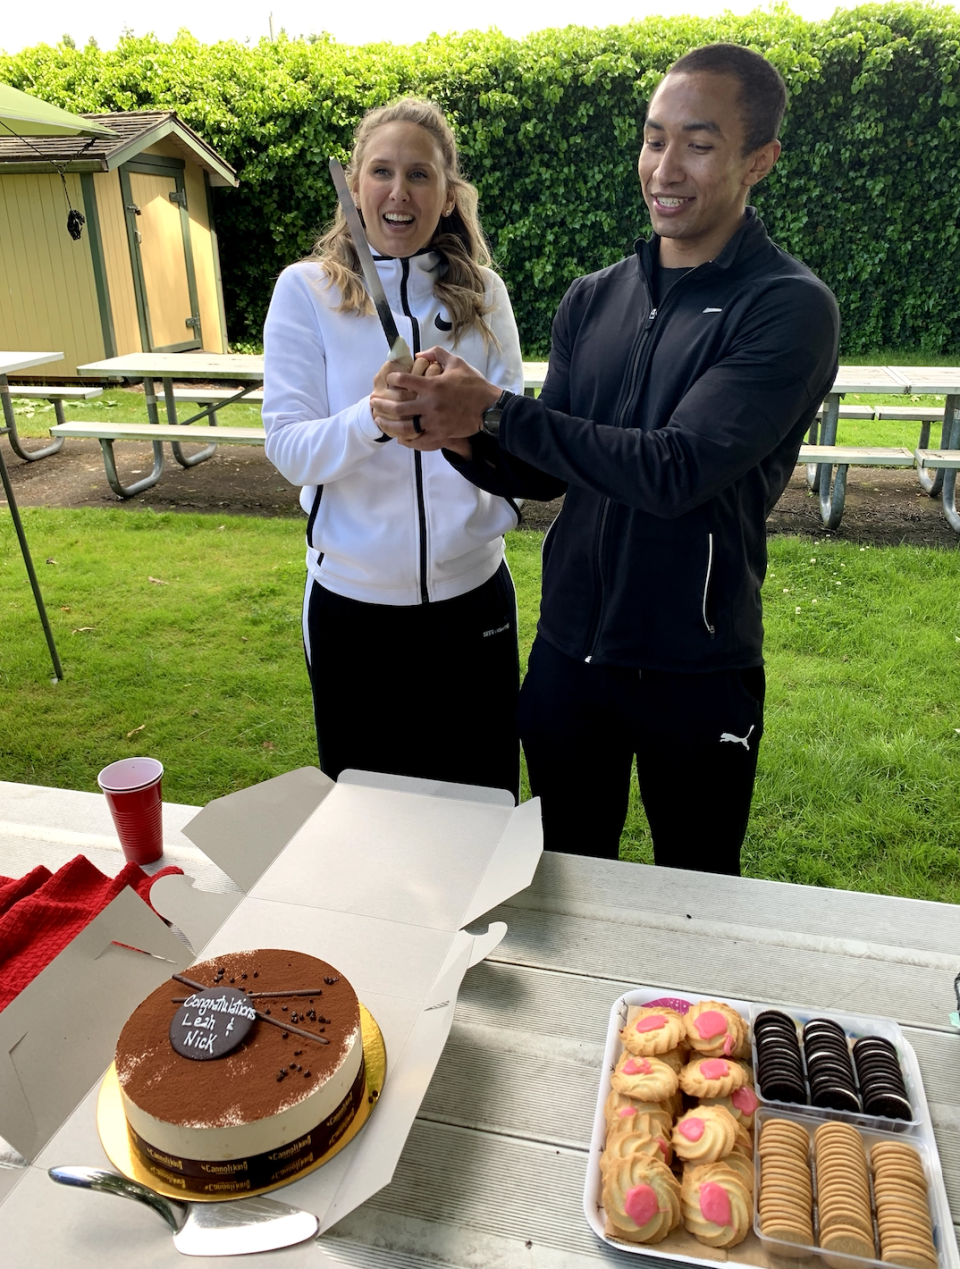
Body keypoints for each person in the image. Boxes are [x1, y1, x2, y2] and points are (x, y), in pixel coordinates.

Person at [369, 45, 841, 874]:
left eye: (698, 143)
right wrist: (459, 435)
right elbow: (551, 470)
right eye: (654, 138)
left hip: (695, 668)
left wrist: (494, 409)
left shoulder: (788, 307)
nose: (665, 166)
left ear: (758, 161)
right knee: (558, 883)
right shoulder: (597, 295)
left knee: (695, 892)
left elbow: (674, 470)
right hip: (568, 657)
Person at [261, 98, 524, 797]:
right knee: (366, 830)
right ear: (353, 185)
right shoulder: (305, 292)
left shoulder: (483, 295)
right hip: (355, 614)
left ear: (447, 196)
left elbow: (515, 443)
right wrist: (372, 416)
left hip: (474, 604)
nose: (398, 191)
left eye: (420, 174)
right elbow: (289, 449)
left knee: (482, 814)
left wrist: (467, 422)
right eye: (381, 171)